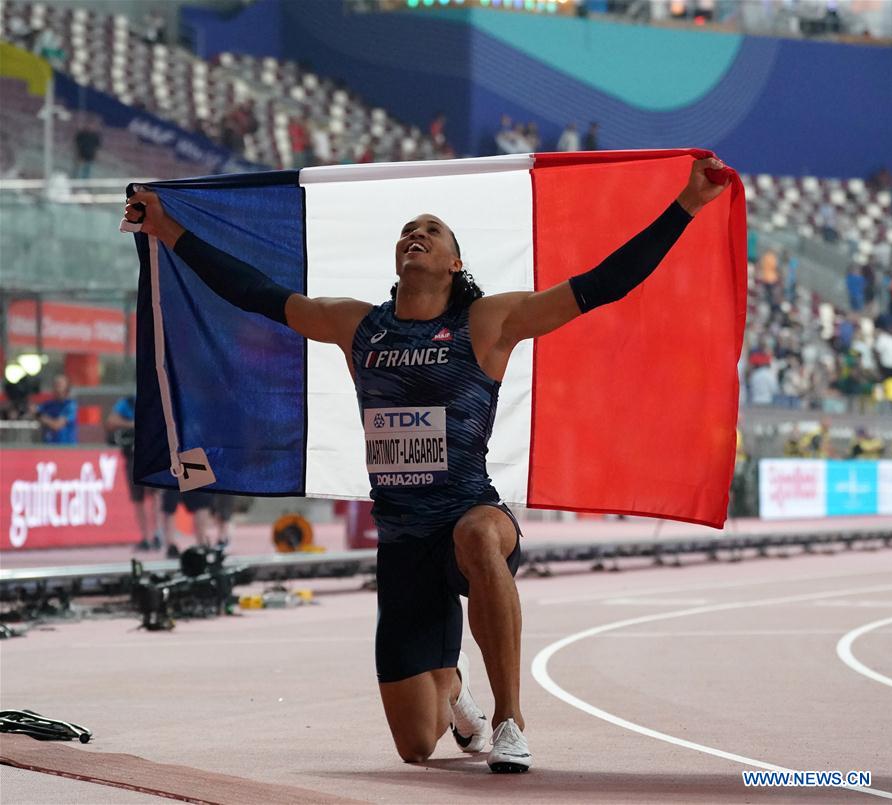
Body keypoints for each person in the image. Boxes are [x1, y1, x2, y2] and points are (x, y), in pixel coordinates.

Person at [124, 154, 729, 773]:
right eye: (408, 230)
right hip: (403, 542)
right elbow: (255, 294)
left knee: (475, 533)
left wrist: (687, 204)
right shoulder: (358, 327)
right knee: (416, 746)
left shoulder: (488, 322)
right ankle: (454, 691)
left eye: (432, 230)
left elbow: (602, 284)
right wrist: (167, 229)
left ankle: (509, 719)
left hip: (472, 515)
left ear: (454, 262)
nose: (415, 234)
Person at [106, 395, 163, 551]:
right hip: (133, 455)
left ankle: (157, 533)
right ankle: (145, 537)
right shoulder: (127, 402)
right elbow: (111, 422)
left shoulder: (157, 399)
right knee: (138, 498)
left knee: (156, 496)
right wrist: (134, 424)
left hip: (153, 455)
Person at [34, 374, 77, 444]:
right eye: (55, 384)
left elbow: (57, 425)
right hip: (48, 446)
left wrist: (42, 418)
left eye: (60, 385)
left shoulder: (70, 405)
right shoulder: (48, 404)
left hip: (66, 448)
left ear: (67, 387)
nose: (57, 387)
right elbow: (34, 411)